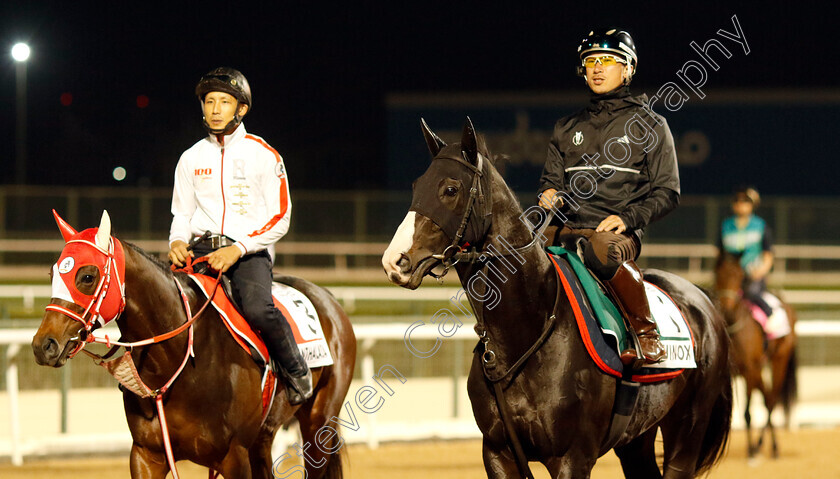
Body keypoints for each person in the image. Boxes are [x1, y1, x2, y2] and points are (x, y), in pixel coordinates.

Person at [168, 67, 312, 404]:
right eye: (209, 101)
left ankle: (295, 369)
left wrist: (238, 249)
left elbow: (281, 217)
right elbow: (182, 214)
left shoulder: (264, 154)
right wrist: (176, 241)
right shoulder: (190, 158)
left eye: (224, 102)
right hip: (199, 252)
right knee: (161, 305)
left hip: (249, 255)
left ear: (241, 109)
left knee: (259, 310)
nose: (215, 109)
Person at [537, 29, 681, 365]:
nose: (597, 68)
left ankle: (647, 334)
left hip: (615, 237)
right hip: (566, 230)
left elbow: (668, 192)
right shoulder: (565, 127)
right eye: (590, 62)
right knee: (516, 250)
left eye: (607, 61)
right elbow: (549, 181)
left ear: (628, 69)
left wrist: (629, 219)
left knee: (601, 250)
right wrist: (548, 194)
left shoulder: (652, 125)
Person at [718, 186, 775, 319]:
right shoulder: (726, 225)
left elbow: (768, 253)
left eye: (745, 201)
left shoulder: (760, 225)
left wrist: (761, 271)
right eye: (737, 200)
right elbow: (719, 253)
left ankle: (770, 317)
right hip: (731, 276)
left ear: (753, 205)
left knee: (752, 294)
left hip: (752, 274)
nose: (740, 204)